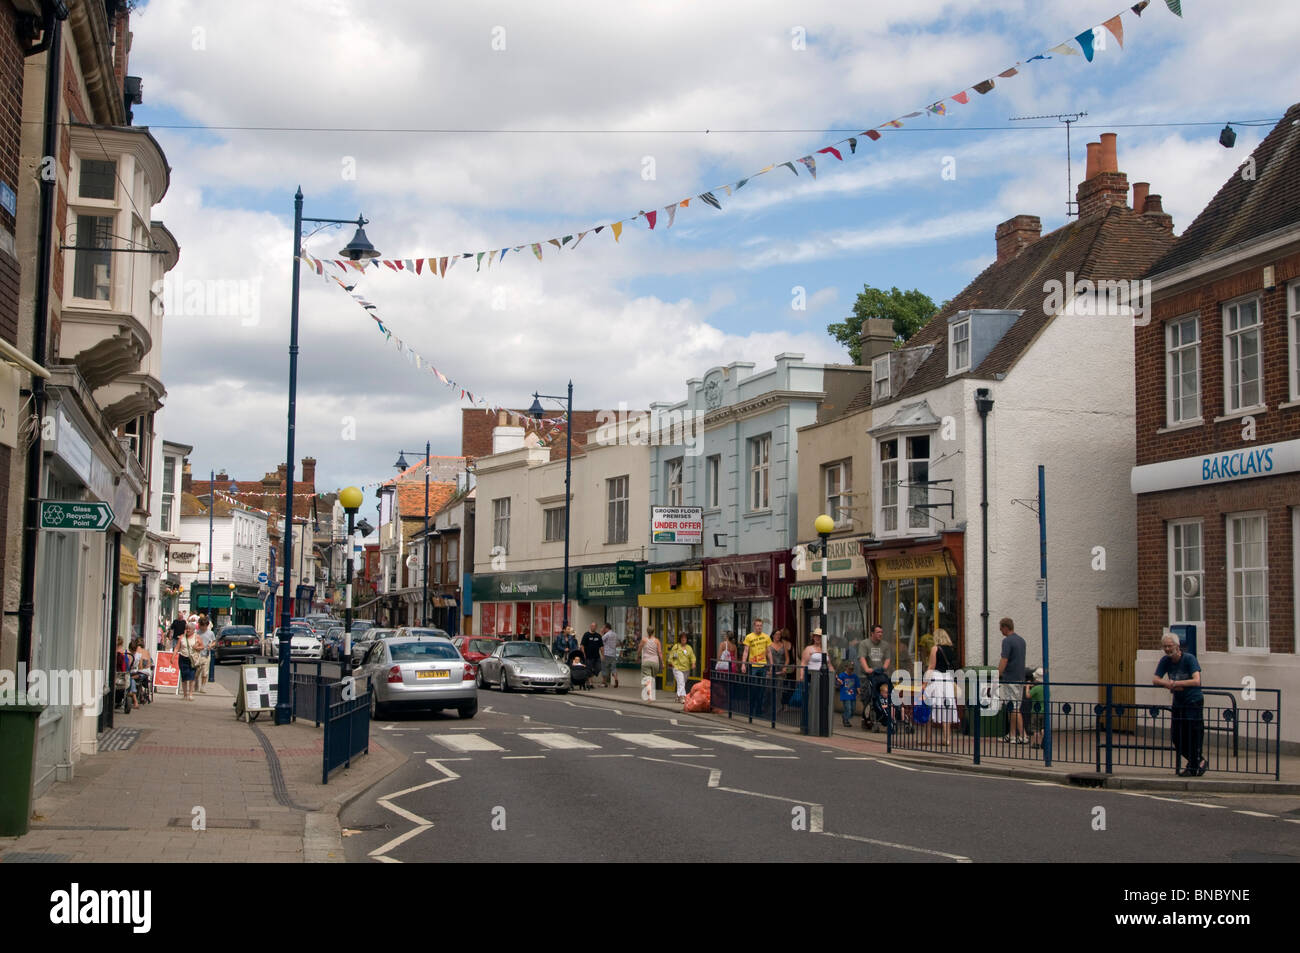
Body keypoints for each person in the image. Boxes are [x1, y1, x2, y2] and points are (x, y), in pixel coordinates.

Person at [1153, 633, 1205, 776]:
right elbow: (1155, 679)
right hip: (1178, 701)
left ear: (1177, 646)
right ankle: (1198, 761)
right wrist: (1169, 685)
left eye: (1170, 646)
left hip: (1193, 701)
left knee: (1192, 735)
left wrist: (1176, 683)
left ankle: (1193, 766)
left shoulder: (1189, 659)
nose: (1168, 649)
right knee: (1177, 737)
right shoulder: (1165, 661)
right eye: (1165, 646)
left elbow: (1196, 681)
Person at [924, 628, 959, 746]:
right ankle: (947, 738)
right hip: (948, 680)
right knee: (946, 708)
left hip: (937, 680)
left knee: (929, 707)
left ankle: (928, 738)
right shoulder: (951, 650)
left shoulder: (935, 649)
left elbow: (931, 666)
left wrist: (924, 684)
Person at [997, 617, 1028, 744]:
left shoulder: (1007, 641)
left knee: (1014, 707)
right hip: (1020, 677)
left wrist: (997, 674)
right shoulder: (1021, 641)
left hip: (1010, 678)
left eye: (1001, 628)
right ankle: (1012, 735)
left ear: (1005, 627)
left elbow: (1004, 659)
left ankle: (1023, 735)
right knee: (1012, 706)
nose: (1000, 630)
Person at [858, 625, 893, 729]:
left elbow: (887, 659)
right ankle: (865, 717)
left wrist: (884, 667)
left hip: (880, 674)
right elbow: (862, 658)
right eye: (878, 632)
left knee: (884, 692)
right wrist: (867, 669)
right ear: (872, 633)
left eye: (881, 632)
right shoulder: (865, 644)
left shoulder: (885, 645)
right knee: (867, 696)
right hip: (868, 674)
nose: (880, 634)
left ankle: (885, 714)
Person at [741, 619, 772, 716]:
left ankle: (758, 710)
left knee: (762, 688)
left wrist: (771, 664)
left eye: (761, 626)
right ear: (754, 626)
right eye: (757, 625)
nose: (759, 627)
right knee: (753, 688)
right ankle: (751, 709)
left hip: (762, 665)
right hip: (753, 665)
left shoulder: (766, 637)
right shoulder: (749, 637)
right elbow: (746, 651)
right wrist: (743, 664)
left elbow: (769, 652)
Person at [667, 631, 696, 703]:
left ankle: (678, 696)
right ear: (680, 639)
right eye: (682, 638)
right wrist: (673, 664)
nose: (684, 639)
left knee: (682, 683)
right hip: (677, 668)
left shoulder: (689, 648)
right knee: (681, 682)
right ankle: (683, 697)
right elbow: (670, 657)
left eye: (685, 638)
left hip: (686, 669)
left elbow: (692, 657)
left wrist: (693, 663)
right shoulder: (676, 647)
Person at [176, 623, 203, 701]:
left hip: (192, 659)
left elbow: (202, 646)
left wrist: (197, 647)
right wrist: (173, 657)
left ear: (193, 630)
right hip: (182, 658)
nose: (187, 630)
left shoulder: (197, 637)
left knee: (191, 677)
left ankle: (190, 694)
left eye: (189, 629)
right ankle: (185, 694)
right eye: (186, 628)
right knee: (184, 677)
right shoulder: (181, 637)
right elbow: (177, 648)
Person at [638, 629, 663, 702]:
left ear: (647, 632)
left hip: (646, 662)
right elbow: (660, 652)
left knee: (647, 680)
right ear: (653, 632)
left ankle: (650, 696)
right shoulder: (657, 641)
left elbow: (639, 650)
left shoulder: (644, 640)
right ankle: (650, 694)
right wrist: (662, 662)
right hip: (655, 662)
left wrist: (638, 657)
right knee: (652, 679)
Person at [836, 661, 859, 728]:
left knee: (853, 709)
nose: (851, 670)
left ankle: (845, 716)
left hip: (853, 696)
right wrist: (839, 681)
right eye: (849, 669)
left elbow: (857, 685)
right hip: (845, 695)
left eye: (852, 669)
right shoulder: (842, 675)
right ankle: (846, 720)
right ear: (846, 668)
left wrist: (859, 692)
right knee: (848, 708)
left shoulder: (855, 676)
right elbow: (838, 684)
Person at [195, 615, 215, 693]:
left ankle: (203, 687)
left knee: (205, 673)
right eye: (202, 626)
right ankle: (196, 684)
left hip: (206, 655)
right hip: (197, 655)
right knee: (197, 672)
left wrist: (211, 645)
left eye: (205, 626)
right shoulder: (197, 633)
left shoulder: (210, 633)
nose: (203, 628)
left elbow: (214, 642)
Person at [1026, 668, 1045, 749]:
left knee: (1036, 728)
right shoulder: (1045, 687)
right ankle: (1044, 742)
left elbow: (1028, 696)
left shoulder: (1035, 688)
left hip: (1036, 711)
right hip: (1044, 711)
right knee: (1043, 728)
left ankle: (1036, 743)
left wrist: (1027, 687)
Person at [601, 623, 621, 687]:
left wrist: (601, 633)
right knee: (613, 668)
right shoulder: (615, 634)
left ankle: (604, 682)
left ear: (607, 628)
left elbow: (601, 641)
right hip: (613, 654)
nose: (603, 629)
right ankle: (616, 679)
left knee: (605, 668)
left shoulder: (607, 635)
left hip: (607, 653)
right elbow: (618, 643)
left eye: (604, 628)